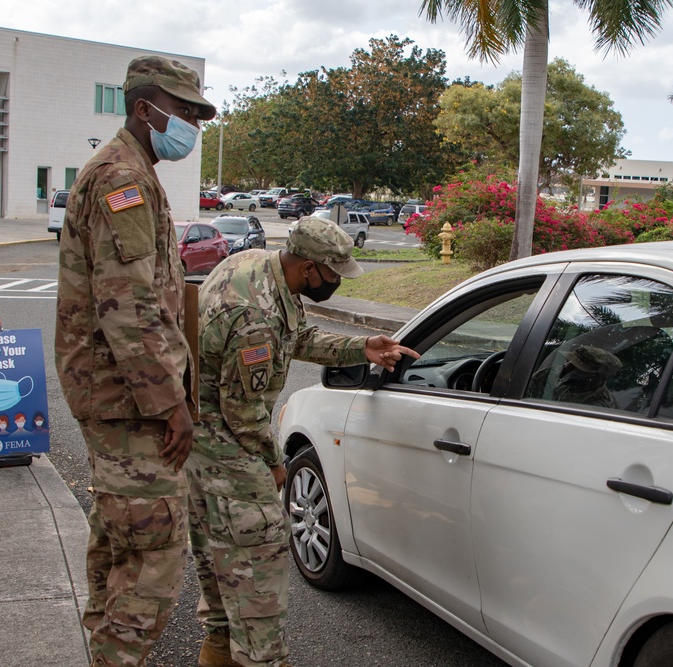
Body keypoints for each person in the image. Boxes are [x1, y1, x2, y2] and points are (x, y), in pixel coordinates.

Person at [189, 217, 419, 667]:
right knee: (258, 582)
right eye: (334, 274)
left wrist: (362, 347)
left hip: (202, 448)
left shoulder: (256, 266)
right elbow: (243, 410)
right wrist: (276, 462)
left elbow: (294, 338)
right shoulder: (253, 312)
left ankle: (220, 649)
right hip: (229, 455)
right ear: (310, 268)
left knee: (222, 577)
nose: (336, 282)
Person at [54, 55, 215, 667]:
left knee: (119, 545)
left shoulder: (130, 172)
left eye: (198, 115)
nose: (192, 126)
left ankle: (103, 652)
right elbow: (129, 306)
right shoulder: (123, 179)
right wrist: (170, 403)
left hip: (118, 398)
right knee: (153, 556)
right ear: (146, 109)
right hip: (130, 403)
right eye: (184, 112)